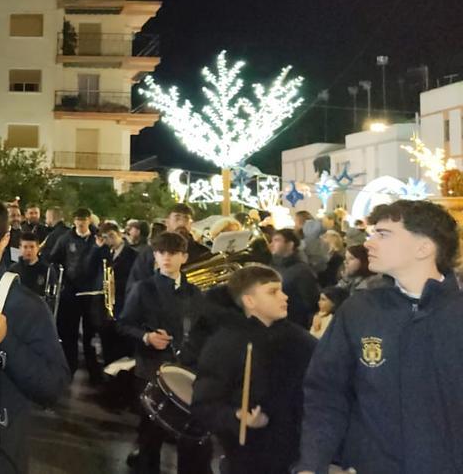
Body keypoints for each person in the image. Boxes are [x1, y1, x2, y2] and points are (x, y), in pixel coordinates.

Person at [298, 200, 463, 474]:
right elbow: (327, 393)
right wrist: (312, 463)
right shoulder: (359, 310)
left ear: (424, 247)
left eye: (383, 234)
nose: (369, 244)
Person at [0, 197, 69, 474]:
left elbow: (54, 387)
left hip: (0, 451)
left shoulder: (27, 305)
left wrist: (6, 341)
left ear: (5, 239)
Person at [192, 265, 317, 474]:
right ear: (249, 301)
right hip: (247, 458)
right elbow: (204, 404)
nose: (284, 297)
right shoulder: (225, 344)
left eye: (282, 290)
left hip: (297, 453)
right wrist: (237, 416)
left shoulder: (302, 341)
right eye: (272, 292)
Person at [117, 231, 214, 474]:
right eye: (161, 253)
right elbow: (123, 324)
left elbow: (204, 332)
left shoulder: (195, 293)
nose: (166, 258)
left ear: (184, 257)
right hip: (151, 370)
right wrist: (146, 337)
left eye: (172, 253)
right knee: (150, 438)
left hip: (184, 372)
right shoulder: (143, 288)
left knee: (189, 440)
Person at [49, 207, 105, 382]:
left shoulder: (97, 238)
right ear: (74, 221)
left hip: (91, 292)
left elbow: (104, 261)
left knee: (91, 333)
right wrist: (63, 281)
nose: (81, 223)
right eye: (78, 219)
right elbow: (53, 259)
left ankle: (93, 371)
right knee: (69, 333)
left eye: (84, 219)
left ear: (89, 220)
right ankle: (69, 368)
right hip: (71, 292)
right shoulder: (66, 239)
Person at [125, 203, 195, 296]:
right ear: (167, 222)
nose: (181, 223)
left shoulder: (203, 252)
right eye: (177, 218)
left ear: (191, 223)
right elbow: (133, 288)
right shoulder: (149, 253)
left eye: (186, 219)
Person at [266, 229, 320, 328]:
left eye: (277, 240)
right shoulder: (272, 265)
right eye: (272, 240)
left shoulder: (302, 270)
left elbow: (310, 302)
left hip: (292, 324)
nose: (271, 244)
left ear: (290, 245)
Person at [10, 232, 50, 298]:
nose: (29, 250)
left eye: (32, 247)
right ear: (20, 248)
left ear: (37, 248)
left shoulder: (47, 270)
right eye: (25, 247)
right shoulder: (13, 270)